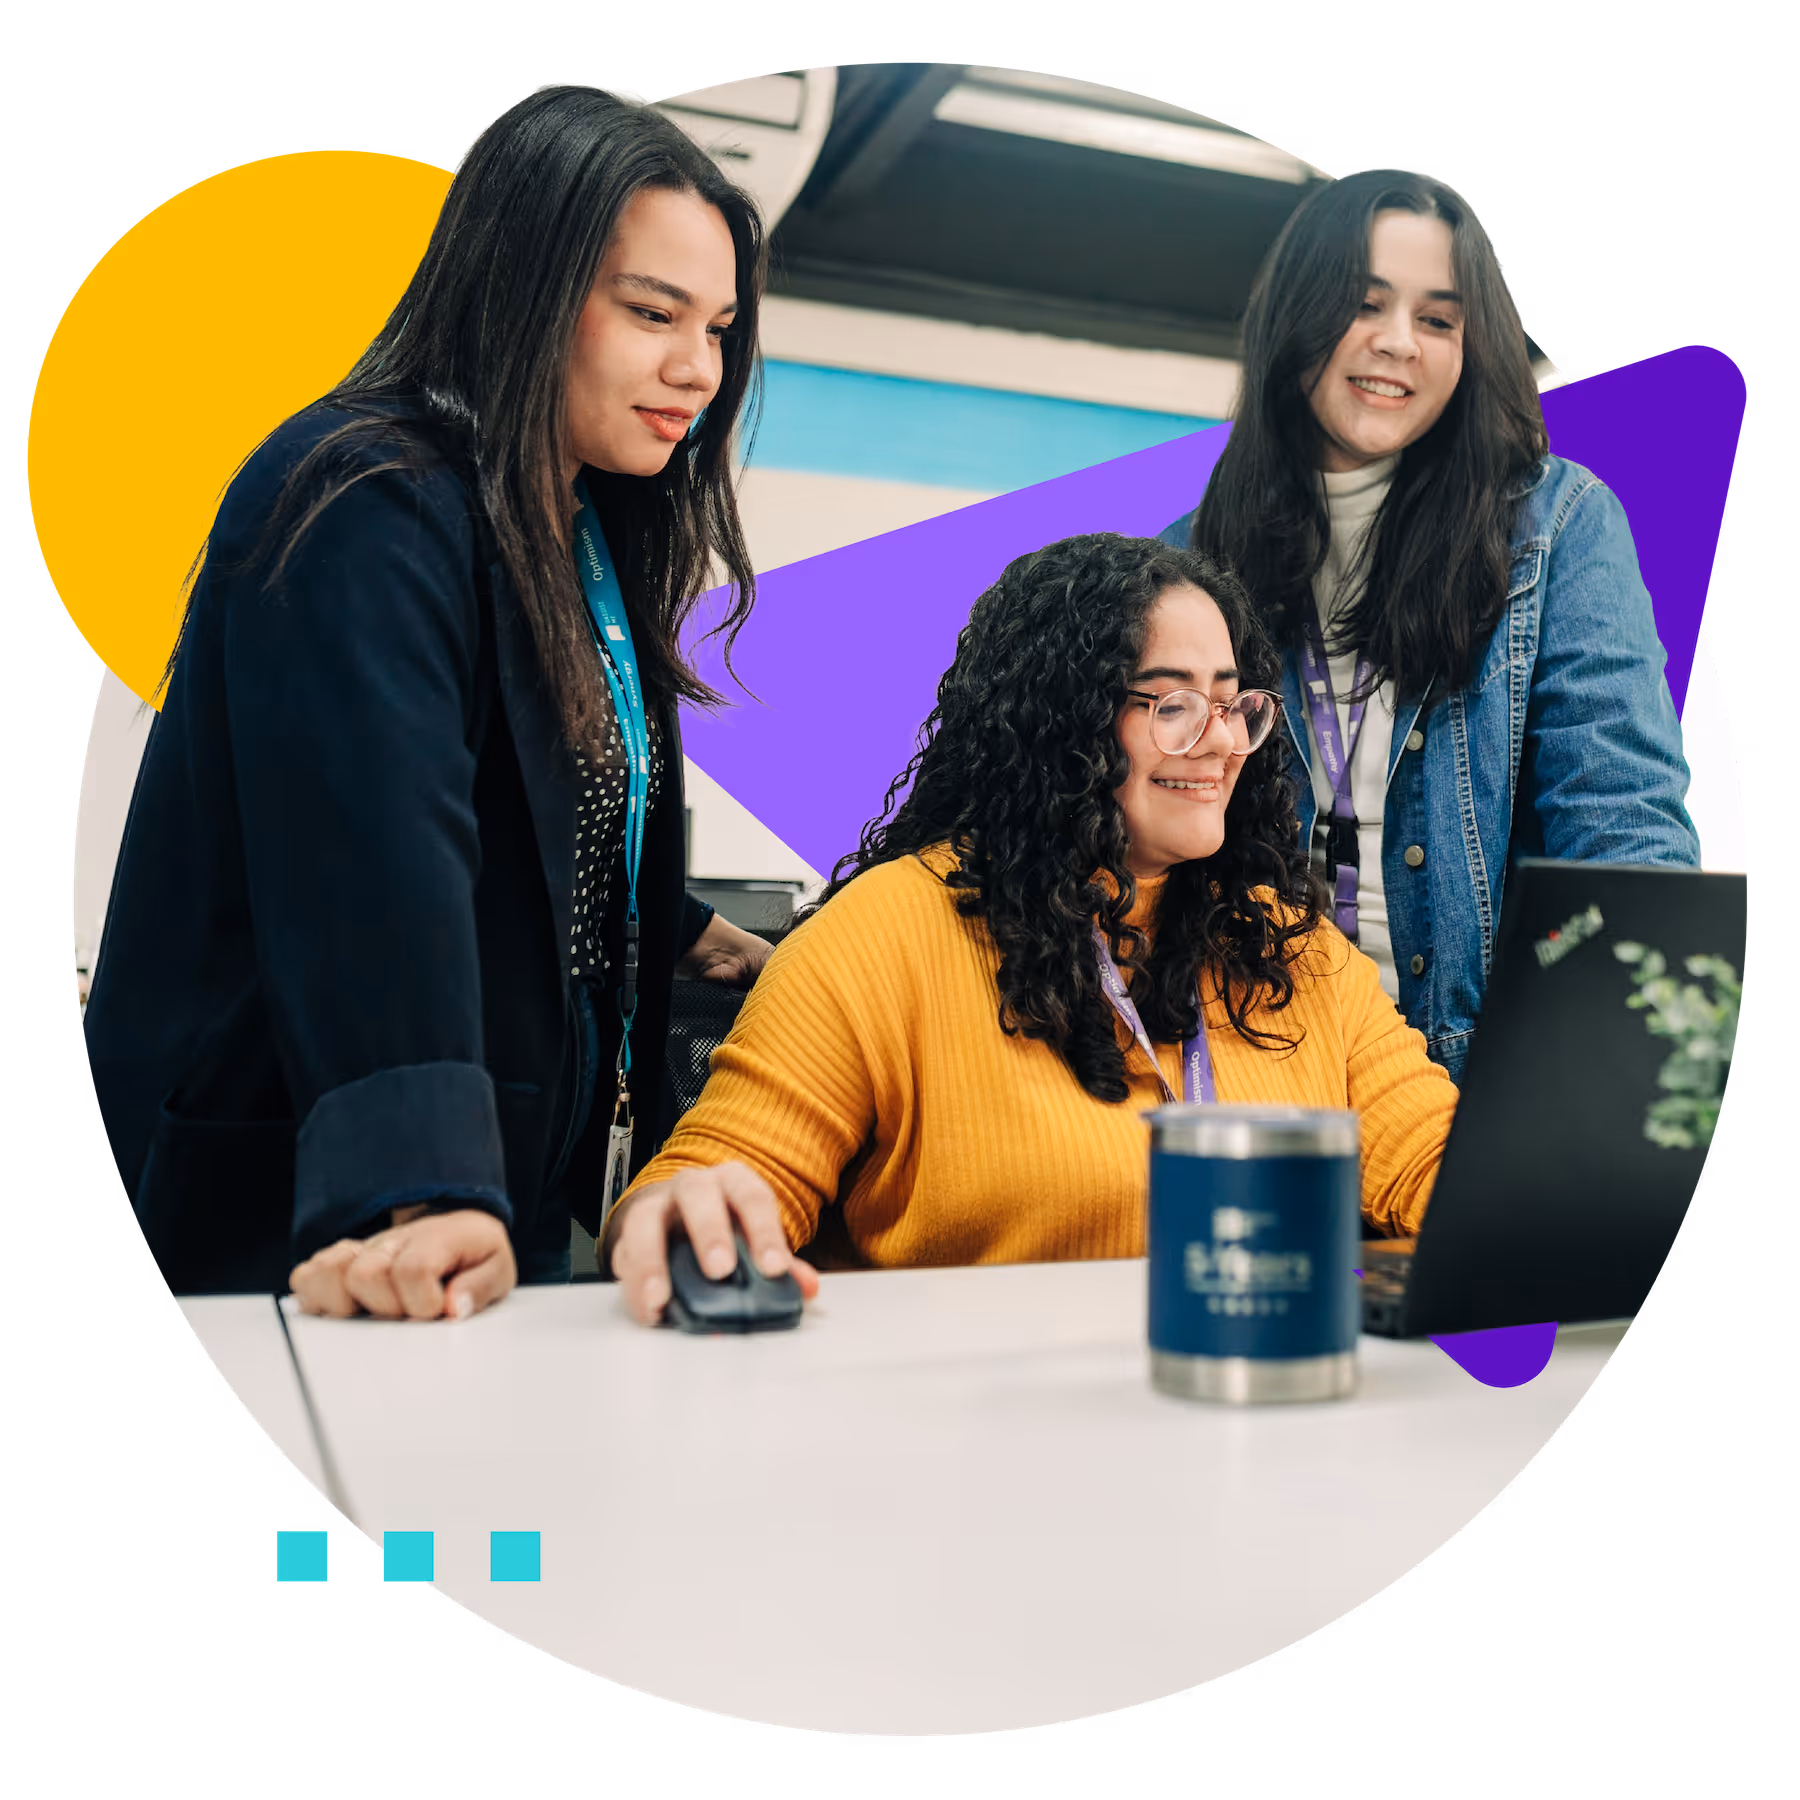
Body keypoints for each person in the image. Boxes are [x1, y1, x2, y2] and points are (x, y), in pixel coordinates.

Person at [84, 84, 776, 1316]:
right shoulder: (365, 494)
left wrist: (672, 927)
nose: (698, 370)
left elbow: (533, 788)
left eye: (720, 329)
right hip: (310, 1200)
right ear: (523, 289)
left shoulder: (569, 521)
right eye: (654, 314)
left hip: (489, 1190)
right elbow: (379, 848)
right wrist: (424, 1181)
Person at [599, 534, 1459, 1326]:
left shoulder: (1288, 949)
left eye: (1235, 706)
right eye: (1173, 706)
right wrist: (676, 1214)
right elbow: (713, 1179)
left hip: (1239, 1419)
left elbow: (1445, 1169)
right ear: (1063, 720)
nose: (1222, 742)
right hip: (960, 1450)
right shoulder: (885, 935)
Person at [1159, 169, 1699, 1084]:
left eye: (1440, 319)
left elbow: (1621, 834)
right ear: (1298, 313)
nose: (1398, 343)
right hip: (1261, 1072)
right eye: (1365, 304)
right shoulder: (1191, 562)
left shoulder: (1555, 524)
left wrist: (1621, 1093)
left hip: (1481, 1078)